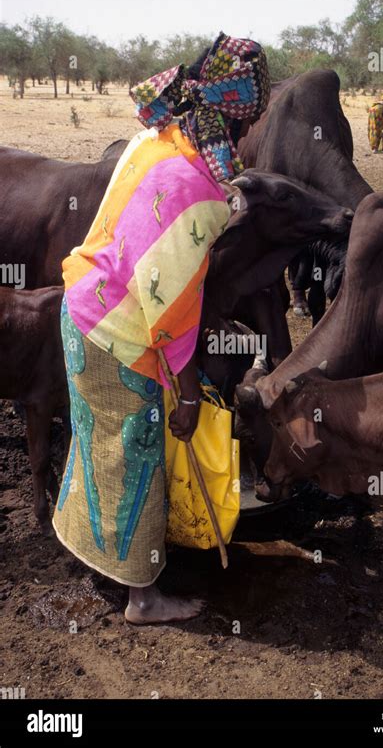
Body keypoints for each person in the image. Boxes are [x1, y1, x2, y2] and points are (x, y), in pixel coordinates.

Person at [53, 32, 270, 625]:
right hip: (123, 338)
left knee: (99, 446)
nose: (251, 135)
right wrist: (191, 391)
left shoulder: (157, 136)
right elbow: (170, 306)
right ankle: (143, 598)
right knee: (141, 454)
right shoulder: (198, 191)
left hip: (80, 310)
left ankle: (95, 550)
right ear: (240, 117)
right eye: (253, 120)